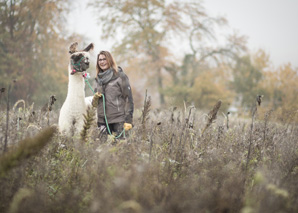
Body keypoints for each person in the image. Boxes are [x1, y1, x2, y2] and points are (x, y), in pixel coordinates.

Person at [92, 50, 134, 138]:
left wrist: (128, 120)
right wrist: (95, 98)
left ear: (110, 60)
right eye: (100, 60)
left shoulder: (120, 76)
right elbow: (94, 105)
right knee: (104, 149)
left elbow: (128, 99)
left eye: (104, 59)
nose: (102, 62)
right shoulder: (97, 80)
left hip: (118, 120)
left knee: (120, 149)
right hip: (102, 121)